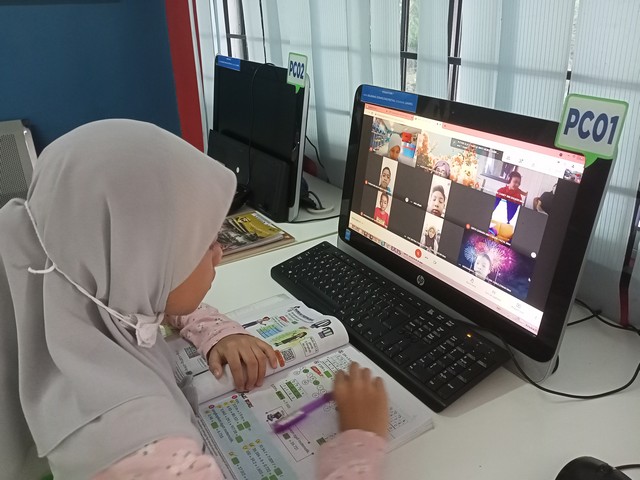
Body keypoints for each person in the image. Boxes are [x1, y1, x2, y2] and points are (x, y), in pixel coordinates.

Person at [0, 119, 389, 479]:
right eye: (206, 242)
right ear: (144, 263)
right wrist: (360, 440)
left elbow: (132, 292)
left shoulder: (39, 244)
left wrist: (215, 330)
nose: (220, 253)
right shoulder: (137, 449)